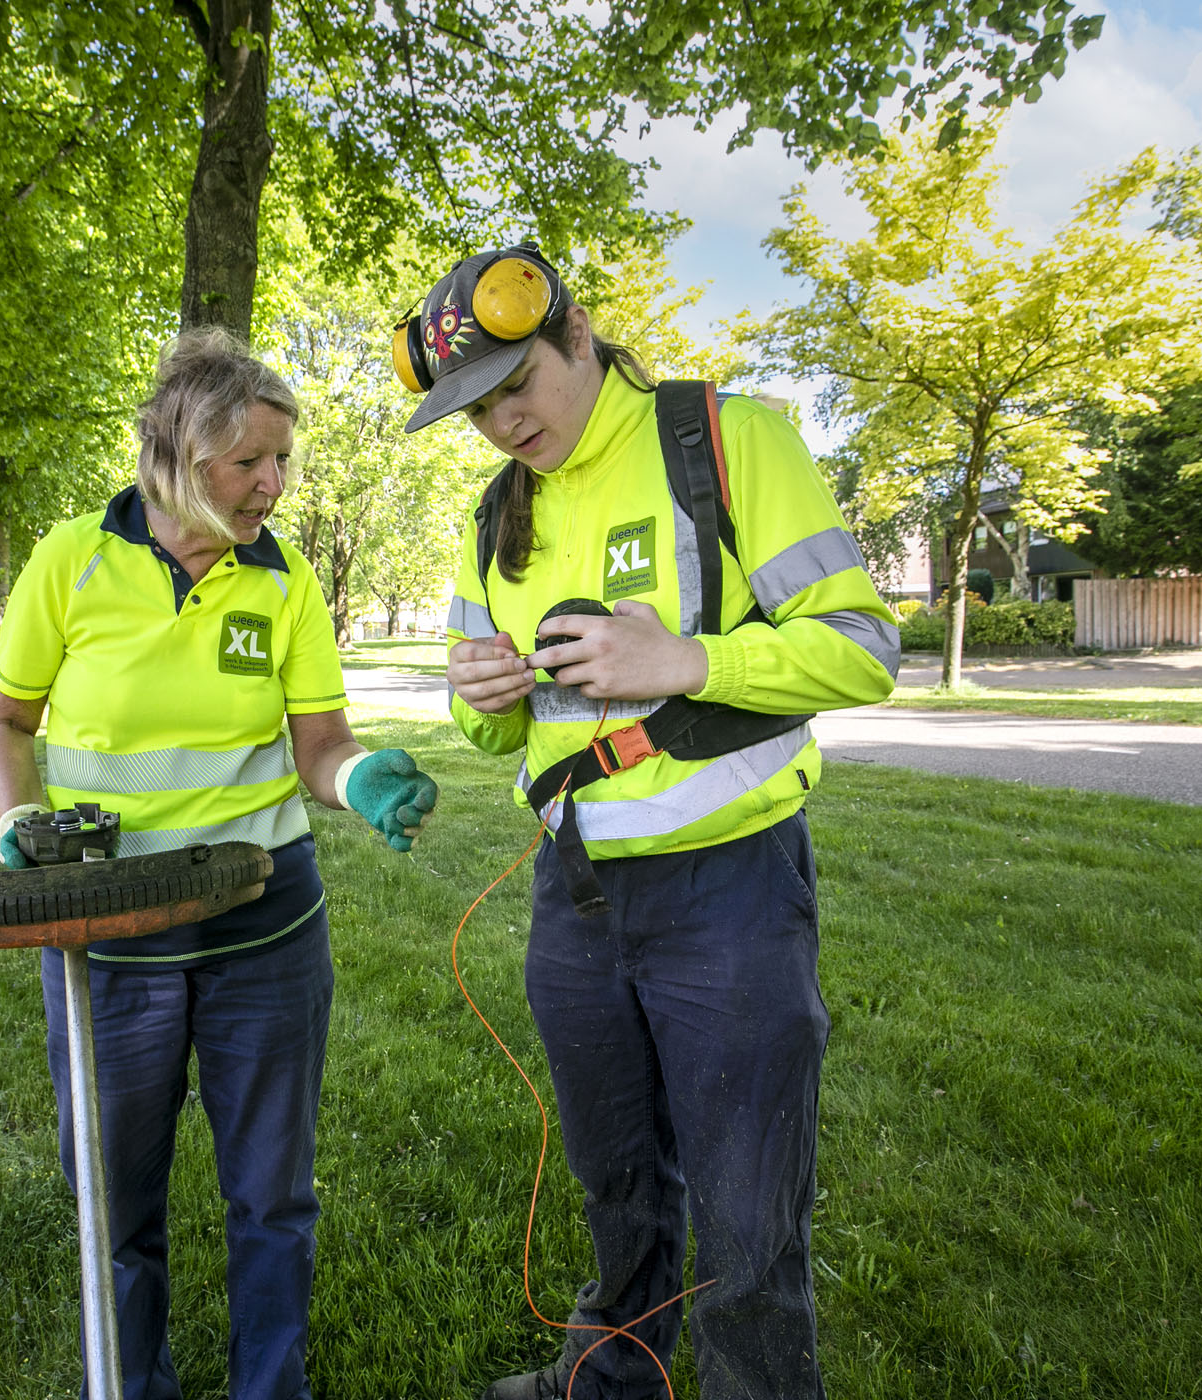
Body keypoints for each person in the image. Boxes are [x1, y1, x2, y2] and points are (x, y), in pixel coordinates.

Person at [393, 245, 898, 1400]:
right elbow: (504, 741)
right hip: (574, 898)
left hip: (729, 892)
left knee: (747, 1210)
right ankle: (612, 1381)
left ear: (576, 335)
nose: (502, 424)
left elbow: (865, 648)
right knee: (616, 1181)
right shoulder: (493, 518)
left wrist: (689, 658)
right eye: (473, 410)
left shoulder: (723, 439)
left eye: (514, 386)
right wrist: (481, 700)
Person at [0, 329, 439, 1400]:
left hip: (264, 928)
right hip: (113, 934)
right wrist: (19, 812)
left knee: (272, 1194)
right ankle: (134, 1383)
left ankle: (271, 1388)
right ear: (180, 455)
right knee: (114, 1197)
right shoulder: (71, 561)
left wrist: (361, 780)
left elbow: (319, 743)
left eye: (283, 461)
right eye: (250, 463)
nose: (273, 483)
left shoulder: (284, 583)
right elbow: (4, 720)